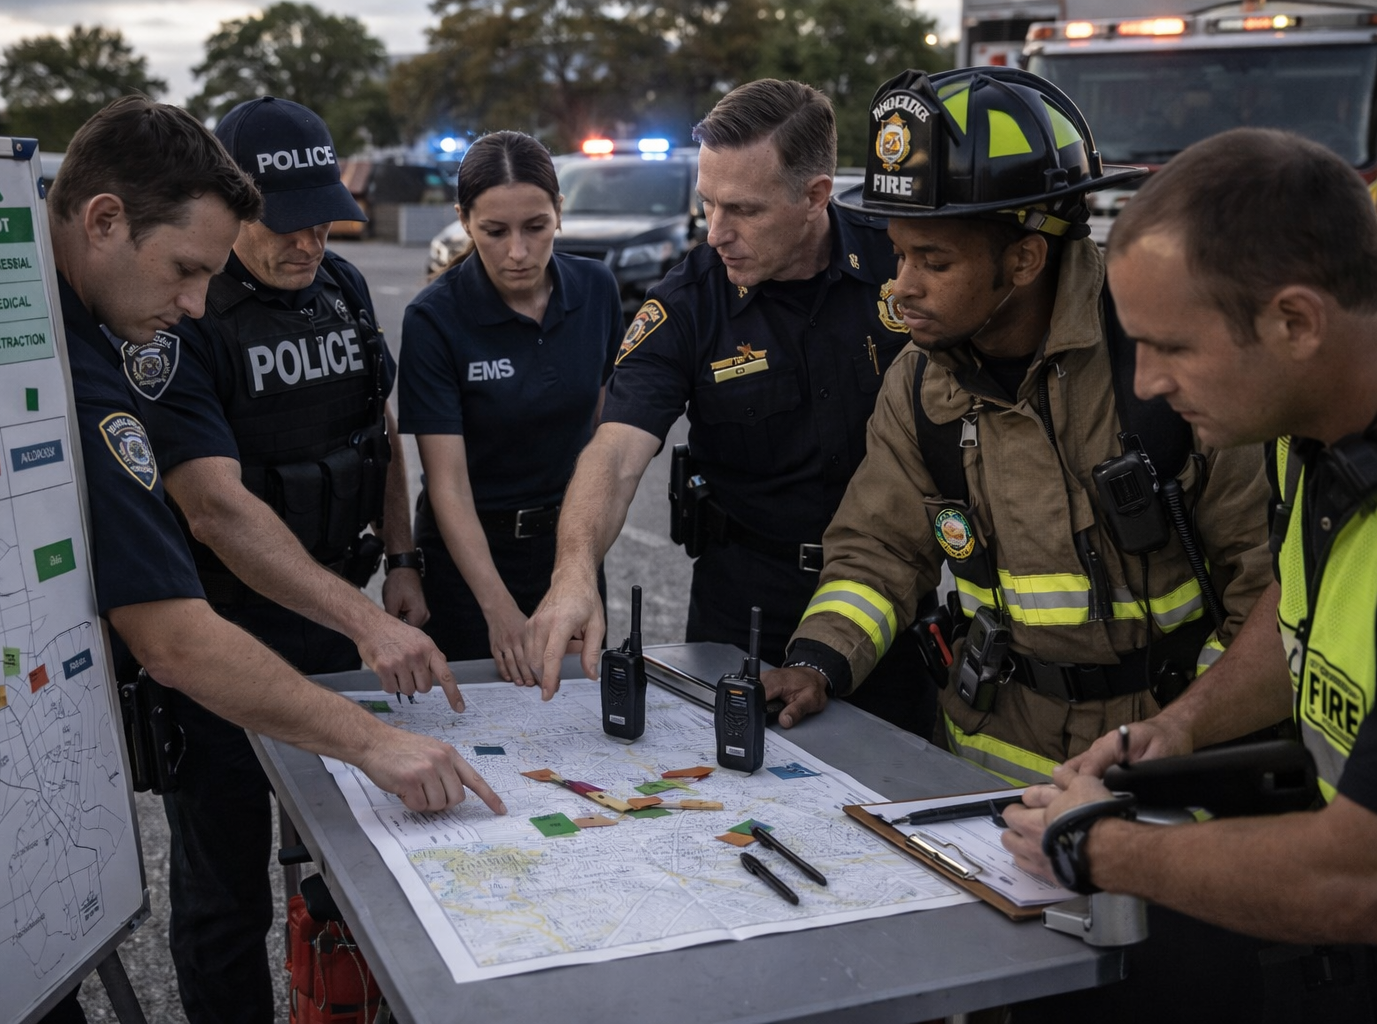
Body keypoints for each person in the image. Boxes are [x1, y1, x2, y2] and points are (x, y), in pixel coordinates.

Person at [45, 96, 505, 1023]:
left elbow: (371, 430)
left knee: (362, 863)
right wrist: (366, 628)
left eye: (322, 222)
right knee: (224, 895)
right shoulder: (162, 330)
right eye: (285, 227)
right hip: (223, 628)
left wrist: (398, 566)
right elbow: (214, 512)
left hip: (334, 613)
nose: (308, 243)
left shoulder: (338, 287)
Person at [759, 68, 1273, 784]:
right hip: (985, 767)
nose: (899, 285)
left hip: (1168, 770)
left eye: (933, 261)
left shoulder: (1159, 366)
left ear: (1025, 258)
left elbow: (1271, 585)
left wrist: (1189, 728)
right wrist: (816, 660)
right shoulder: (916, 386)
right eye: (899, 254)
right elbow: (878, 551)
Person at [1000, 129, 1377, 1007]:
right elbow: (1305, 602)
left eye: (1171, 347)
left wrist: (1093, 845)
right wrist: (1185, 726)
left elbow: (1357, 878)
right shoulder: (1312, 434)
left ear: (1295, 321)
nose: (1148, 385)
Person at [525, 78, 935, 735]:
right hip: (743, 609)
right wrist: (573, 571)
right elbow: (617, 452)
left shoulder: (903, 265)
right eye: (708, 205)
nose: (717, 233)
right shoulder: (689, 303)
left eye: (743, 210)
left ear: (815, 196)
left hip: (893, 601)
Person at [397, 131, 621, 681]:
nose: (517, 252)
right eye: (495, 231)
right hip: (469, 561)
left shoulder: (596, 290)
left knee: (576, 715)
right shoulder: (434, 318)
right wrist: (497, 611)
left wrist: (578, 569)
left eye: (536, 227)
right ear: (464, 220)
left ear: (559, 214)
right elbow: (446, 484)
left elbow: (607, 445)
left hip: (569, 544)